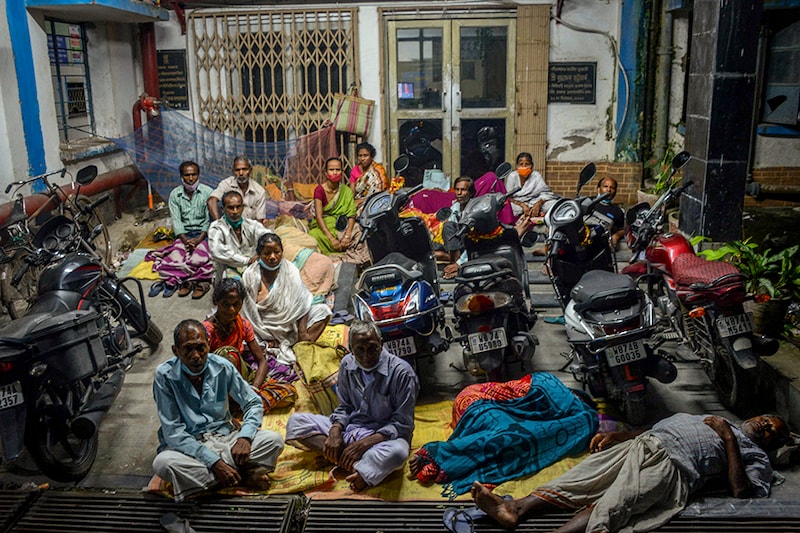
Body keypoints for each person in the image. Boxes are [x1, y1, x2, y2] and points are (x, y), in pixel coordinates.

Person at [471, 412, 790, 533]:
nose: (767, 424)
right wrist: (623, 435)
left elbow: (741, 492)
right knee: (579, 480)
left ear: (772, 442)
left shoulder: (754, 453)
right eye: (768, 418)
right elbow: (659, 425)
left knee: (615, 503)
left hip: (674, 467)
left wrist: (729, 438)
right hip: (645, 443)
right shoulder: (718, 417)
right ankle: (513, 508)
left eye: (774, 430)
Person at [151, 320, 284, 502]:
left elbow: (252, 402)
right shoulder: (164, 376)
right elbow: (173, 432)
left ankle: (207, 484)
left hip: (227, 439)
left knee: (273, 440)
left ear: (208, 345)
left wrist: (244, 437)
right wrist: (215, 463)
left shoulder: (222, 366)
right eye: (188, 349)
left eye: (201, 348)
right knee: (163, 463)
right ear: (176, 351)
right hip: (192, 447)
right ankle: (241, 475)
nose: (196, 356)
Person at [409, 372, 598, 498]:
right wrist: (580, 409)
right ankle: (437, 454)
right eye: (578, 402)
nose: (577, 407)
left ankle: (447, 458)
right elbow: (544, 393)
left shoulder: (563, 415)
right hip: (478, 401)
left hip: (503, 412)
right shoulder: (551, 384)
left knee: (520, 435)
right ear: (575, 394)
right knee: (510, 434)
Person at [285, 320, 420, 492]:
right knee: (296, 422)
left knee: (399, 453)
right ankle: (353, 463)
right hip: (351, 429)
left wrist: (364, 444)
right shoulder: (347, 364)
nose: (366, 356)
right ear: (351, 349)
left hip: (383, 437)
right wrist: (335, 430)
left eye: (372, 348)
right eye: (359, 351)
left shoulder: (402, 373)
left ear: (381, 344)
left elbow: (403, 424)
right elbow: (345, 406)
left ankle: (341, 459)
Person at [202, 278, 297, 411]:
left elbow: (262, 361)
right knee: (228, 355)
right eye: (225, 304)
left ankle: (238, 405)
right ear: (216, 302)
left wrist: (254, 389)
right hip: (217, 383)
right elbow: (200, 368)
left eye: (236, 304)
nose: (231, 310)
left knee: (289, 394)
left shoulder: (243, 324)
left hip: (240, 376)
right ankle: (232, 404)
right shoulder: (206, 331)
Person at [241, 232, 332, 364]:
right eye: (267, 253)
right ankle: (273, 346)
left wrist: (302, 333)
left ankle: (300, 347)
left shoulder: (290, 271)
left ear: (282, 252)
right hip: (262, 330)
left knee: (323, 311)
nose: (273, 257)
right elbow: (247, 313)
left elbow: (303, 303)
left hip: (291, 328)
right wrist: (263, 335)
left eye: (276, 252)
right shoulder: (250, 276)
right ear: (259, 255)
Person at [147, 161, 214, 299]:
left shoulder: (208, 192)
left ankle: (193, 281)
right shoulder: (175, 195)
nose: (190, 178)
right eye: (187, 175)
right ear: (181, 176)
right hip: (184, 235)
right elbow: (177, 221)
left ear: (198, 175)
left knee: (198, 258)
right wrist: (186, 240)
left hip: (203, 235)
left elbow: (209, 220)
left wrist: (198, 240)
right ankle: (177, 281)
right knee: (176, 257)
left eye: (193, 174)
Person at [308, 157, 369, 264]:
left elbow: (351, 215)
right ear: (326, 172)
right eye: (331, 170)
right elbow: (318, 216)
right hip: (325, 226)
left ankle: (360, 262)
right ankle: (334, 258)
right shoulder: (319, 190)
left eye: (338, 169)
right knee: (313, 235)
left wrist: (347, 236)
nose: (335, 172)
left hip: (342, 226)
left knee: (359, 231)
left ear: (342, 171)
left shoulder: (346, 191)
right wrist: (331, 238)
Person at [208, 190, 272, 279]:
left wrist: (261, 253)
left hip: (250, 270)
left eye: (238, 207)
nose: (235, 211)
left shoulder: (251, 225)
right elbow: (217, 250)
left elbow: (269, 237)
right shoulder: (216, 228)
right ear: (223, 210)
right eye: (231, 208)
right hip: (226, 272)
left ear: (243, 207)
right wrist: (247, 260)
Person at [207, 156, 267, 221]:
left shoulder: (259, 191)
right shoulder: (226, 184)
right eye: (237, 170)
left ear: (250, 170)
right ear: (233, 171)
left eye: (244, 169)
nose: (241, 173)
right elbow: (211, 201)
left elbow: (259, 220)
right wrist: (219, 223)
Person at [505, 152, 559, 219]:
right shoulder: (512, 176)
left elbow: (546, 193)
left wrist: (538, 203)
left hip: (534, 201)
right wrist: (522, 205)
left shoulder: (536, 175)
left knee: (553, 204)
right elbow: (508, 197)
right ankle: (531, 213)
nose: (524, 167)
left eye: (527, 164)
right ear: (517, 166)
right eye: (521, 164)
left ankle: (532, 212)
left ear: (531, 166)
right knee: (509, 208)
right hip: (518, 204)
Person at [440, 176, 475, 279]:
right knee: (448, 226)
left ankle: (459, 267)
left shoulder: (474, 208)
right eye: (457, 189)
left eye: (463, 190)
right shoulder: (455, 208)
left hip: (473, 244)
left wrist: (460, 262)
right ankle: (454, 264)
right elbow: (451, 232)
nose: (459, 193)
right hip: (459, 244)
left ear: (471, 193)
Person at [349, 141, 388, 209]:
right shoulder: (355, 170)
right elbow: (352, 193)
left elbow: (381, 193)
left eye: (366, 155)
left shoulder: (378, 171)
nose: (362, 159)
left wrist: (362, 200)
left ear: (371, 156)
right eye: (360, 156)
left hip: (376, 202)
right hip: (357, 202)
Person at [593, 176, 625, 248]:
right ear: (598, 189)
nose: (608, 190)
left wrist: (616, 236)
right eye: (605, 186)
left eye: (612, 188)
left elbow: (623, 229)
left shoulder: (617, 212)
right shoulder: (588, 203)